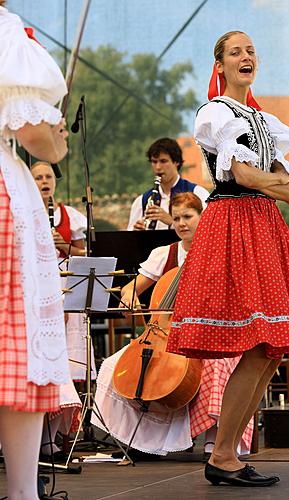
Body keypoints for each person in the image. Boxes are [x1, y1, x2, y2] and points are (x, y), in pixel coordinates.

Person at [166, 31, 289, 487]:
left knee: (272, 345)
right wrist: (269, 182)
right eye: (236, 52)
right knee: (260, 342)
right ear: (219, 65)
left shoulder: (263, 120)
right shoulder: (216, 112)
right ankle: (223, 455)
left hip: (262, 225)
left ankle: (226, 454)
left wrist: (268, 184)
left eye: (251, 51)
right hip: (233, 226)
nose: (246, 57)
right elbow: (240, 173)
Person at [92, 192, 254, 460]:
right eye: (176, 218)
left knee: (217, 366)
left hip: (209, 336)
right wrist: (130, 296)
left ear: (203, 218)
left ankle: (216, 442)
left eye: (188, 217)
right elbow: (132, 288)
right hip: (164, 336)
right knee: (113, 365)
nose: (181, 223)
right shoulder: (163, 254)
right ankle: (143, 441)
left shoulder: (219, 254)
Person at [0, 3, 71, 498]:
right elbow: (33, 134)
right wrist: (57, 142)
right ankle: (23, 491)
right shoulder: (3, 30)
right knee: (14, 350)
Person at [31, 161, 96, 382]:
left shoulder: (69, 213)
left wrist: (63, 245)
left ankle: (75, 396)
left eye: (48, 177)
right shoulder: (26, 214)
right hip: (38, 281)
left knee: (71, 341)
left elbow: (83, 254)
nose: (44, 182)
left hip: (67, 283)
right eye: (39, 178)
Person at [127, 137, 210, 230]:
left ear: (176, 162)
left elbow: (207, 230)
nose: (158, 167)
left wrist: (172, 221)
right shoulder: (142, 200)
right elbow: (129, 239)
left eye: (163, 161)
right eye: (154, 162)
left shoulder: (198, 193)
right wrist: (136, 233)